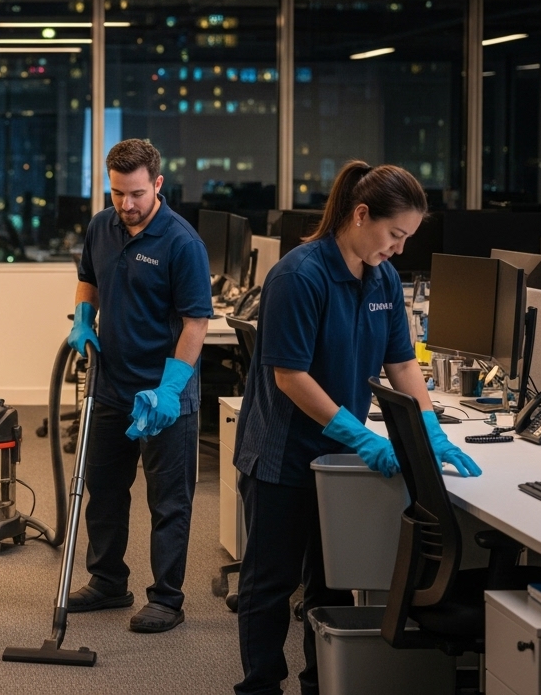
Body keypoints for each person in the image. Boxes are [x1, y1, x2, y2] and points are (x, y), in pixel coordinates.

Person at [232, 161, 482, 695]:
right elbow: (289, 376)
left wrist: (430, 428)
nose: (399, 249)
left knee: (330, 583)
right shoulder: (300, 275)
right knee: (269, 584)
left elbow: (403, 363)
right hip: (282, 453)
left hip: (338, 458)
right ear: (361, 214)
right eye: (395, 235)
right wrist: (364, 436)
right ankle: (259, 686)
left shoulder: (383, 278)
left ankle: (320, 683)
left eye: (407, 238)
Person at [64, 138, 213, 633]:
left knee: (168, 500)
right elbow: (89, 277)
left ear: (158, 186)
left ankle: (167, 598)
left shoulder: (182, 243)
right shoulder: (101, 227)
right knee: (104, 490)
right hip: (110, 385)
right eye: (116, 194)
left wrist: (170, 391)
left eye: (136, 195)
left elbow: (196, 323)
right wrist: (84, 318)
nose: (126, 205)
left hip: (165, 395)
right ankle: (108, 581)